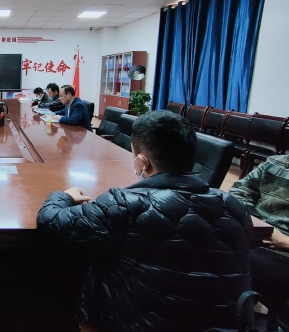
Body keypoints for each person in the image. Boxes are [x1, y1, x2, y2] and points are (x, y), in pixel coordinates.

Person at [36, 110, 252, 332]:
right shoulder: (233, 206)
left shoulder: (126, 204)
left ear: (142, 162)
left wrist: (63, 196)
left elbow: (50, 221)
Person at [230, 154, 289, 321]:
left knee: (238, 263)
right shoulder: (275, 163)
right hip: (255, 234)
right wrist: (257, 224)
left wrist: (285, 242)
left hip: (283, 252)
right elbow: (238, 193)